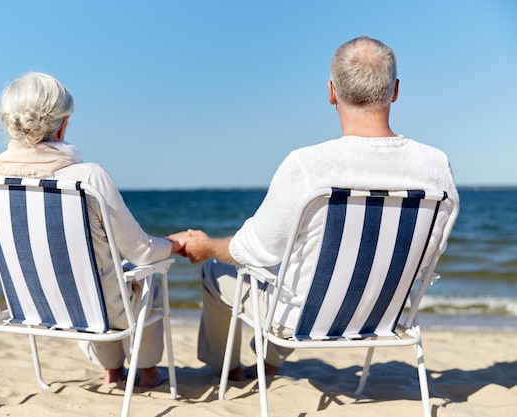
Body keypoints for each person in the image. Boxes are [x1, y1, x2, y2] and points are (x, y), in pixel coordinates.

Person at [182, 36, 459, 381]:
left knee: (219, 272)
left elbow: (256, 250)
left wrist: (206, 247)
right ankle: (267, 365)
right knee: (311, 271)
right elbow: (430, 252)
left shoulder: (309, 165)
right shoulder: (434, 166)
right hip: (385, 315)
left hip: (303, 318)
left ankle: (228, 370)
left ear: (331, 92)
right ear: (395, 90)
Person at [0, 71, 189, 388]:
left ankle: (112, 370)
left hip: (33, 309)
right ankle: (148, 371)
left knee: (92, 275)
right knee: (145, 274)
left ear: (7, 124)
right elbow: (142, 252)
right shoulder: (88, 178)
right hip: (102, 312)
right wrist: (175, 242)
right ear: (63, 124)